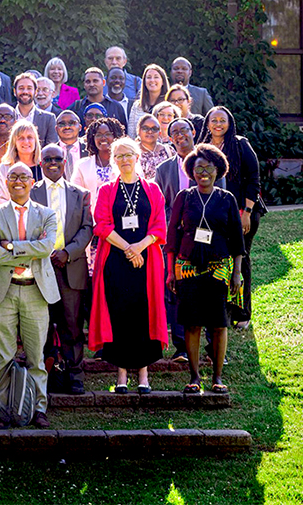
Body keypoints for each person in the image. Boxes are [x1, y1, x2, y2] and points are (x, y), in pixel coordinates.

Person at [88, 138, 168, 394]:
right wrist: (128, 248)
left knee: (143, 312)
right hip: (115, 260)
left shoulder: (152, 189)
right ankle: (121, 374)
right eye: (119, 156)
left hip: (147, 262)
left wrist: (139, 247)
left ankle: (143, 375)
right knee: (118, 313)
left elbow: (158, 226)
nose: (124, 160)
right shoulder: (107, 190)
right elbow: (101, 225)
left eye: (128, 155)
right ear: (114, 160)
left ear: (137, 157)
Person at [0, 161, 59, 428]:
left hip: (35, 292)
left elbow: (47, 246)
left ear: (32, 181)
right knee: (3, 355)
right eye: (13, 176)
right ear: (6, 181)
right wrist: (30, 246)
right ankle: (2, 410)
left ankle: (38, 409)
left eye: (23, 176)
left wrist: (12, 246)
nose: (18, 181)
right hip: (3, 291)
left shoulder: (47, 214)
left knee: (36, 355)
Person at [166, 144, 244, 393]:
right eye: (199, 168)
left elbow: (236, 239)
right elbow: (172, 237)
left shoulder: (226, 199)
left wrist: (236, 272)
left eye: (209, 167)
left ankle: (218, 377)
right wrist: (170, 271)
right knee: (192, 323)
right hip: (187, 267)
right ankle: (195, 376)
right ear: (191, 170)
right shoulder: (184, 197)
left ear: (217, 170)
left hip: (219, 268)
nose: (204, 173)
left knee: (219, 324)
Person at [29, 144, 93, 394]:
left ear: (65, 162)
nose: (53, 163)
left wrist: (68, 253)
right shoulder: (31, 192)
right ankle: (43, 373)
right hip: (40, 267)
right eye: (48, 159)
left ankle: (75, 375)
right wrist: (44, 252)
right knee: (41, 325)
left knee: (72, 325)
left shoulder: (80, 193)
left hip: (71, 267)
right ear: (41, 163)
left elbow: (87, 227)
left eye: (58, 159)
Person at [203, 106, 262, 329]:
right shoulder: (205, 146)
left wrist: (246, 213)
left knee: (241, 259)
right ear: (207, 123)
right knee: (218, 261)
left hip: (241, 212)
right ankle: (222, 311)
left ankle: (243, 313)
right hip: (216, 214)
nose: (218, 124)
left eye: (222, 120)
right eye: (214, 120)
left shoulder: (240, 144)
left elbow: (254, 179)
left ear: (230, 123)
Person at [71, 117, 123, 213]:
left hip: (121, 217)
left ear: (116, 136)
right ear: (92, 138)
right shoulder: (82, 165)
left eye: (108, 134)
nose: (103, 138)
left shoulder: (125, 162)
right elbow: (75, 196)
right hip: (92, 219)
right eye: (98, 135)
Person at [0, 121, 42, 204]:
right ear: (14, 142)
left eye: (29, 137)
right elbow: (0, 199)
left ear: (35, 141)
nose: (26, 142)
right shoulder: (4, 168)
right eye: (21, 138)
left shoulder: (43, 166)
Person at [12, 73, 57, 146]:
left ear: (35, 92)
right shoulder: (8, 117)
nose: (25, 92)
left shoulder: (49, 119)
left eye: (29, 88)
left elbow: (51, 150)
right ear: (14, 91)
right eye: (21, 88)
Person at [127, 64, 171, 138]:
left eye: (156, 77)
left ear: (163, 81)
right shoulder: (137, 106)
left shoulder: (169, 106)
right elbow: (131, 134)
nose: (152, 80)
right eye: (149, 77)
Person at [136, 113, 174, 181]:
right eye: (145, 128)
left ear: (159, 133)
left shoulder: (168, 150)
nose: (150, 131)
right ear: (139, 131)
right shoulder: (132, 151)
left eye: (154, 128)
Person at [54, 110, 83, 180]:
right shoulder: (50, 152)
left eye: (72, 123)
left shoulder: (90, 150)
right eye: (62, 124)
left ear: (80, 127)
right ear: (56, 129)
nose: (67, 127)